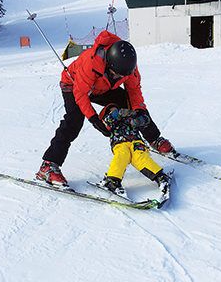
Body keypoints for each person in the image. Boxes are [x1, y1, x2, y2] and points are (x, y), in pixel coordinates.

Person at [36, 31, 175, 187]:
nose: (119, 78)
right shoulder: (91, 62)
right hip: (74, 85)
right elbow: (81, 95)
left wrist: (139, 112)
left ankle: (153, 138)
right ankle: (49, 165)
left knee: (130, 103)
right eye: (116, 75)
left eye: (121, 76)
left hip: (101, 88)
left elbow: (134, 90)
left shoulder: (128, 66)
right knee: (74, 120)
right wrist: (95, 120)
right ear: (109, 64)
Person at [97, 104, 171, 197]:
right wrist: (115, 115)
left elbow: (146, 123)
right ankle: (112, 180)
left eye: (117, 109)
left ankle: (159, 176)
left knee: (140, 157)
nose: (116, 111)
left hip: (136, 142)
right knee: (122, 156)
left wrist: (141, 120)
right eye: (112, 111)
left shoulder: (128, 118)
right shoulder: (109, 121)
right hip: (120, 144)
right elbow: (106, 125)